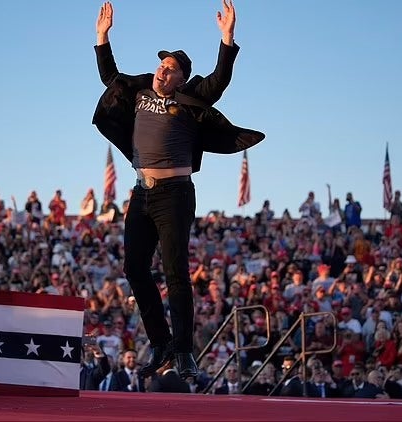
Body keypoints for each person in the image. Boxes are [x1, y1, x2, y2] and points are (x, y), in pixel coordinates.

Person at [92, 0, 264, 379]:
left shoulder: (191, 99)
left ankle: (185, 351)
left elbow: (218, 79)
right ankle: (161, 343)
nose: (162, 70)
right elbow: (111, 79)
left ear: (182, 78)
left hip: (175, 194)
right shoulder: (138, 93)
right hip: (141, 193)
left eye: (170, 68)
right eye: (161, 64)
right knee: (134, 268)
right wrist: (103, 38)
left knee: (175, 271)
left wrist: (227, 38)